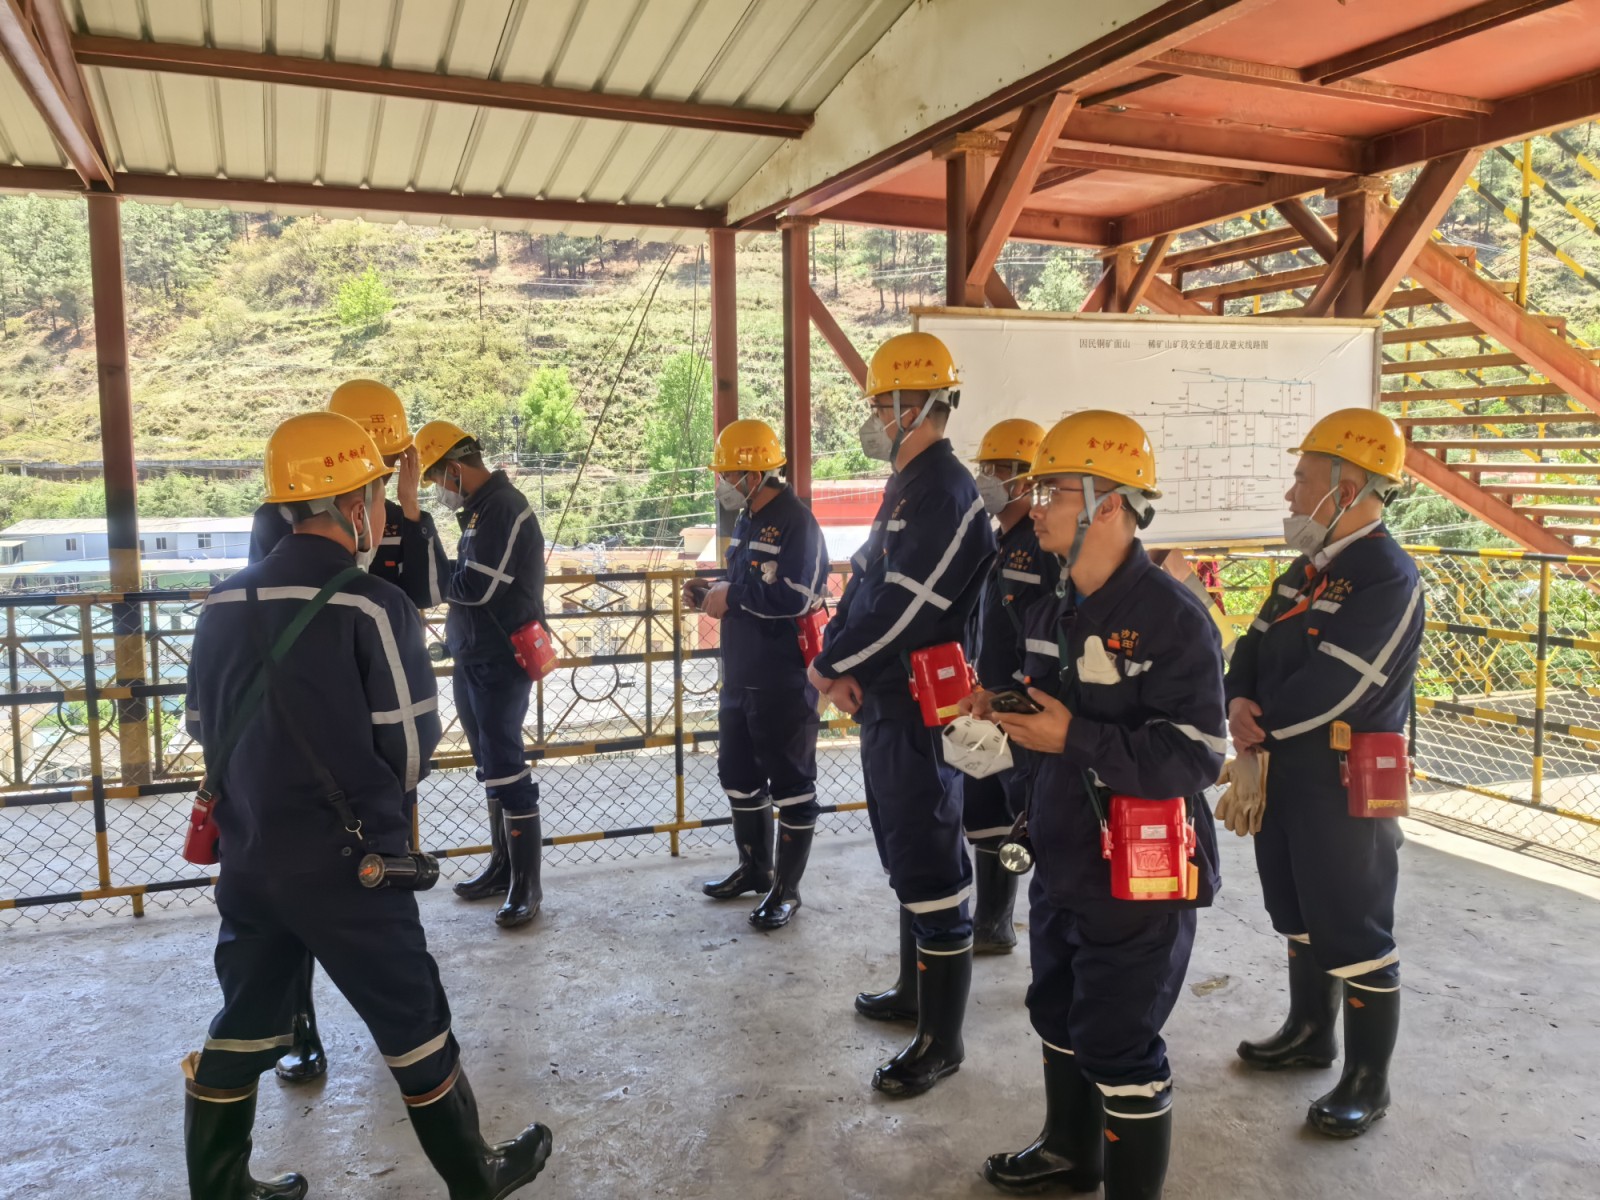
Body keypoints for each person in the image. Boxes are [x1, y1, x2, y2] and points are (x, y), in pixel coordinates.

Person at [182, 412, 551, 1199]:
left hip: (250, 860)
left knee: (243, 1021)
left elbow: (201, 730)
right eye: (380, 497)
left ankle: (223, 1188)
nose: (383, 512)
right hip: (354, 867)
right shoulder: (373, 606)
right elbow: (411, 751)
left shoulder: (218, 606)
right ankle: (475, 1176)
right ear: (355, 509)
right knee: (413, 1020)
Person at [976, 411, 1225, 1199]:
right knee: (1056, 1008)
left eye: (1052, 490)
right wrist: (1003, 713)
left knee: (1119, 1041)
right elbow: (1048, 715)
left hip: (1138, 871)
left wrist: (1072, 737)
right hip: (1062, 852)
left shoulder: (1172, 617)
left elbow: (1197, 756)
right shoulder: (1053, 606)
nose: (1035, 507)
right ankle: (1069, 1151)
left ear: (1108, 504)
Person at [807, 331, 996, 1097]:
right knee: (903, 850)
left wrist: (832, 665)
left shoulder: (945, 490)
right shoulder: (908, 486)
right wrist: (842, 662)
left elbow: (907, 606)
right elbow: (863, 585)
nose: (873, 419)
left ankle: (942, 1041)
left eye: (881, 406)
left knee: (929, 853)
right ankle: (914, 992)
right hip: (888, 697)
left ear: (916, 407)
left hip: (924, 707)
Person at [1225, 408, 1422, 1138]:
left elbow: (1345, 682)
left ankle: (1369, 1083)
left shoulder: (1387, 575)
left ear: (1346, 488)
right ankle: (1310, 1032)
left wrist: (1260, 722)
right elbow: (1251, 644)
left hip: (1343, 780)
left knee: (1353, 922)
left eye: (1302, 479)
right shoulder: (1310, 568)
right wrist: (1236, 699)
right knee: (1299, 907)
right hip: (1284, 769)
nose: (1290, 493)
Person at [247, 379, 450, 1086]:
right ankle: (299, 1028)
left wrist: (411, 512)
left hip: (381, 717)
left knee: (379, 879)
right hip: (309, 720)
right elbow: (268, 605)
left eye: (393, 468)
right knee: (300, 888)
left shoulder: (397, 511)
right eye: (381, 469)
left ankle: (406, 1031)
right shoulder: (284, 517)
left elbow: (428, 592)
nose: (384, 483)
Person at [689, 419, 829, 929]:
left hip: (782, 678)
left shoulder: (797, 522)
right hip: (740, 674)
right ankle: (754, 869)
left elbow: (799, 596)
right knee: (738, 777)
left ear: (754, 474)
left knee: (792, 785)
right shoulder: (748, 518)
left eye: (728, 473)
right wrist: (712, 590)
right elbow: (746, 583)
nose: (722, 482)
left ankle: (786, 891)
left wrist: (734, 595)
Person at [416, 420, 548, 929]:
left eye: (436, 479)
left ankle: (526, 885)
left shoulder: (504, 508)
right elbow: (463, 581)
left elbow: (477, 587)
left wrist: (427, 545)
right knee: (490, 764)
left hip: (501, 658)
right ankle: (502, 867)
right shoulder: (478, 510)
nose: (438, 489)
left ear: (454, 469)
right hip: (473, 653)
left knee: (506, 764)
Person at [964, 418, 1057, 954]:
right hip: (985, 701)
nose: (986, 479)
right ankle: (991, 922)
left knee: (1025, 809)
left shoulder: (1040, 546)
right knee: (984, 811)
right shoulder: (1001, 541)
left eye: (997, 469)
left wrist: (1019, 695)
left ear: (1027, 479)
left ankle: (1017, 919)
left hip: (1018, 704)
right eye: (984, 468)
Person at [249, 379, 448, 609]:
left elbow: (429, 595)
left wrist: (411, 507)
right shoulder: (280, 517)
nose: (375, 475)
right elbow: (261, 600)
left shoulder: (396, 518)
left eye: (386, 462)